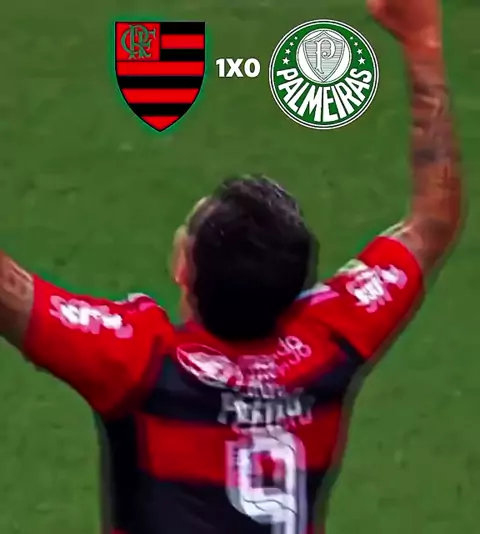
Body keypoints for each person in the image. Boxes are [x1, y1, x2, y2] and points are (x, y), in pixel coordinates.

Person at [0, 0, 462, 533]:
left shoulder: (140, 366)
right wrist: (423, 43)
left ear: (184, 270)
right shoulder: (334, 339)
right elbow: (433, 220)